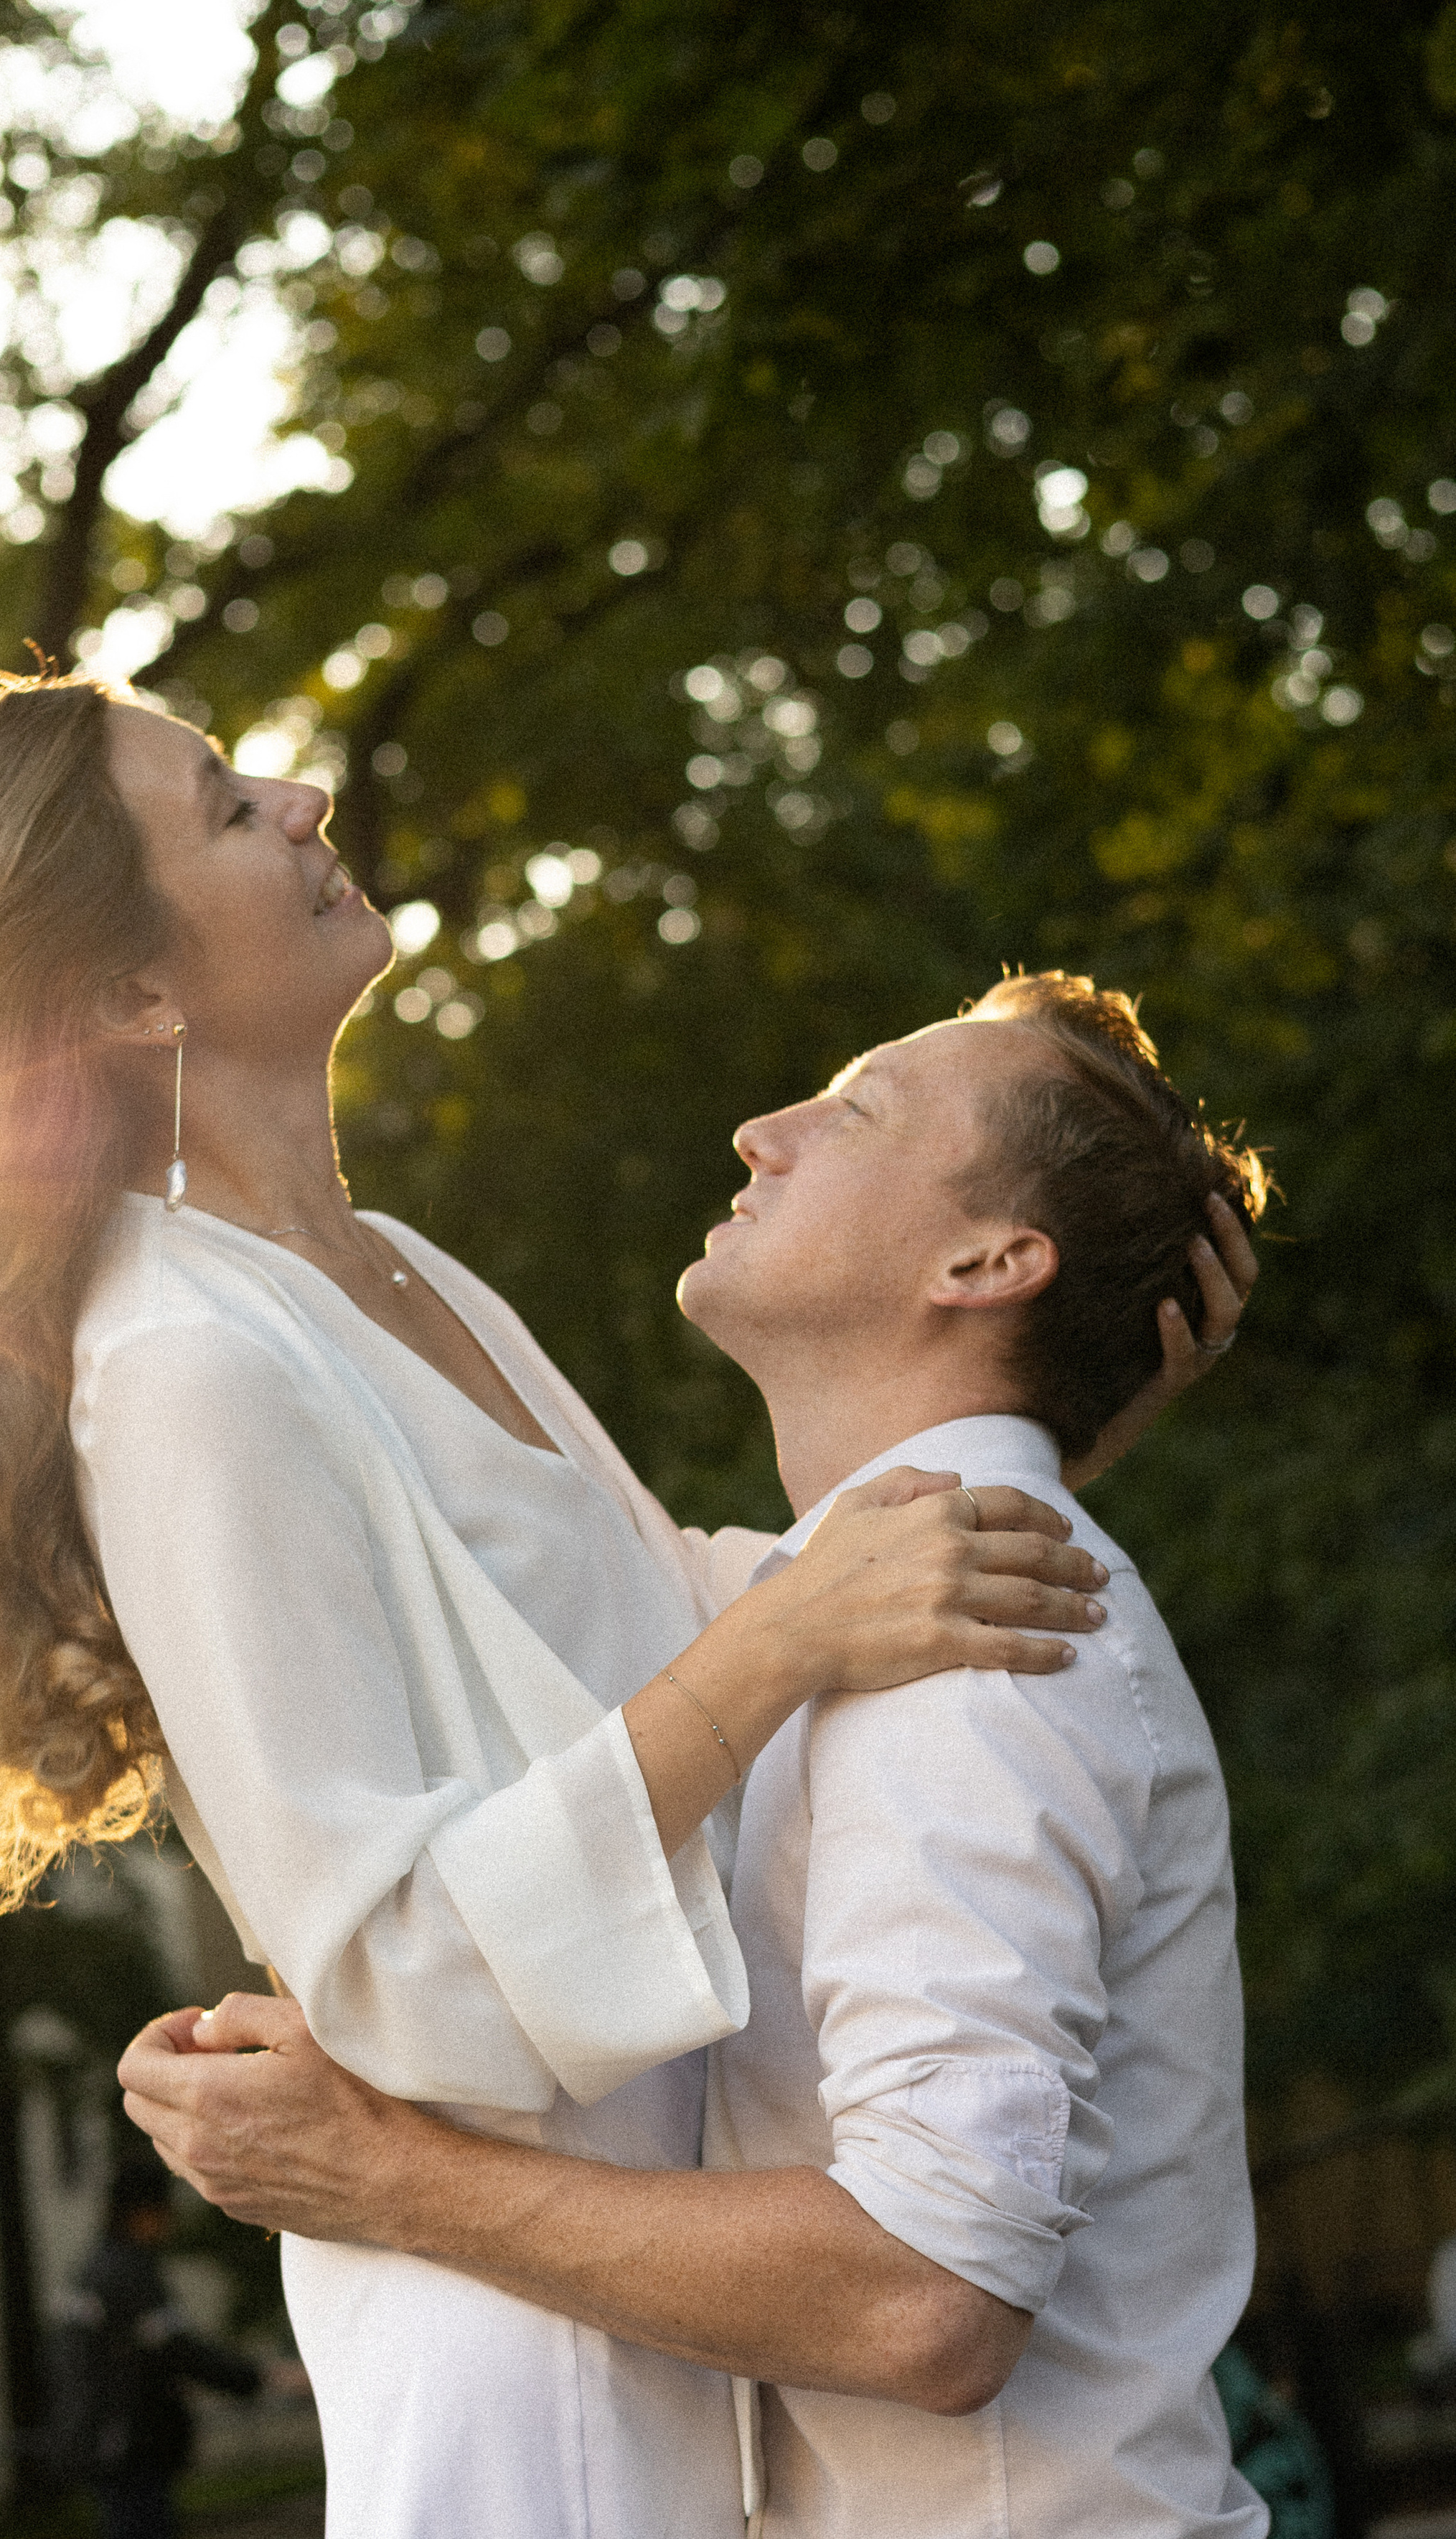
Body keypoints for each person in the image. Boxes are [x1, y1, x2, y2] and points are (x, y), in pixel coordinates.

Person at [0, 672, 1245, 2539]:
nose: (293, 793)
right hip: (535, 2355)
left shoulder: (402, 1270)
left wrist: (1036, 1388)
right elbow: (388, 1964)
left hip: (677, 2287)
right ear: (129, 995)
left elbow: (710, 1630)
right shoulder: (188, 1353)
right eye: (217, 805)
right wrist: (793, 1621)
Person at [118, 975, 1271, 2539]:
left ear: (986, 1261)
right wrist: (1054, 1415)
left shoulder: (975, 1650)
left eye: (853, 1107)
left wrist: (377, 2171)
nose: (763, 1130)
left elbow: (927, 2299)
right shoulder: (849, 1602)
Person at [51, 2158, 262, 2539]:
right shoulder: (128, 2274)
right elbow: (177, 2349)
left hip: (104, 2441)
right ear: (144, 2212)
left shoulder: (94, 2271)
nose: (171, 2221)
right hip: (128, 2445)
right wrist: (257, 2378)